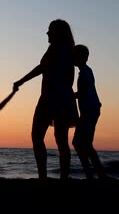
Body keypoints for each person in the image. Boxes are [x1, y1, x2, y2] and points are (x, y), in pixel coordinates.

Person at [14, 19, 78, 180]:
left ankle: (43, 176)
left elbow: (42, 68)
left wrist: (21, 81)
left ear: (58, 33)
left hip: (51, 98)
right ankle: (63, 177)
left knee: (37, 136)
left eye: (50, 30)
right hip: (63, 99)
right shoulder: (67, 50)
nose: (47, 33)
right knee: (61, 139)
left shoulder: (57, 49)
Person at [72, 44, 108, 180]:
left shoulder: (85, 73)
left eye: (74, 55)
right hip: (90, 110)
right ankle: (95, 174)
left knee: (81, 143)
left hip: (90, 111)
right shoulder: (86, 71)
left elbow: (83, 92)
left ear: (81, 57)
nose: (72, 58)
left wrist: (70, 96)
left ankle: (94, 174)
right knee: (83, 143)